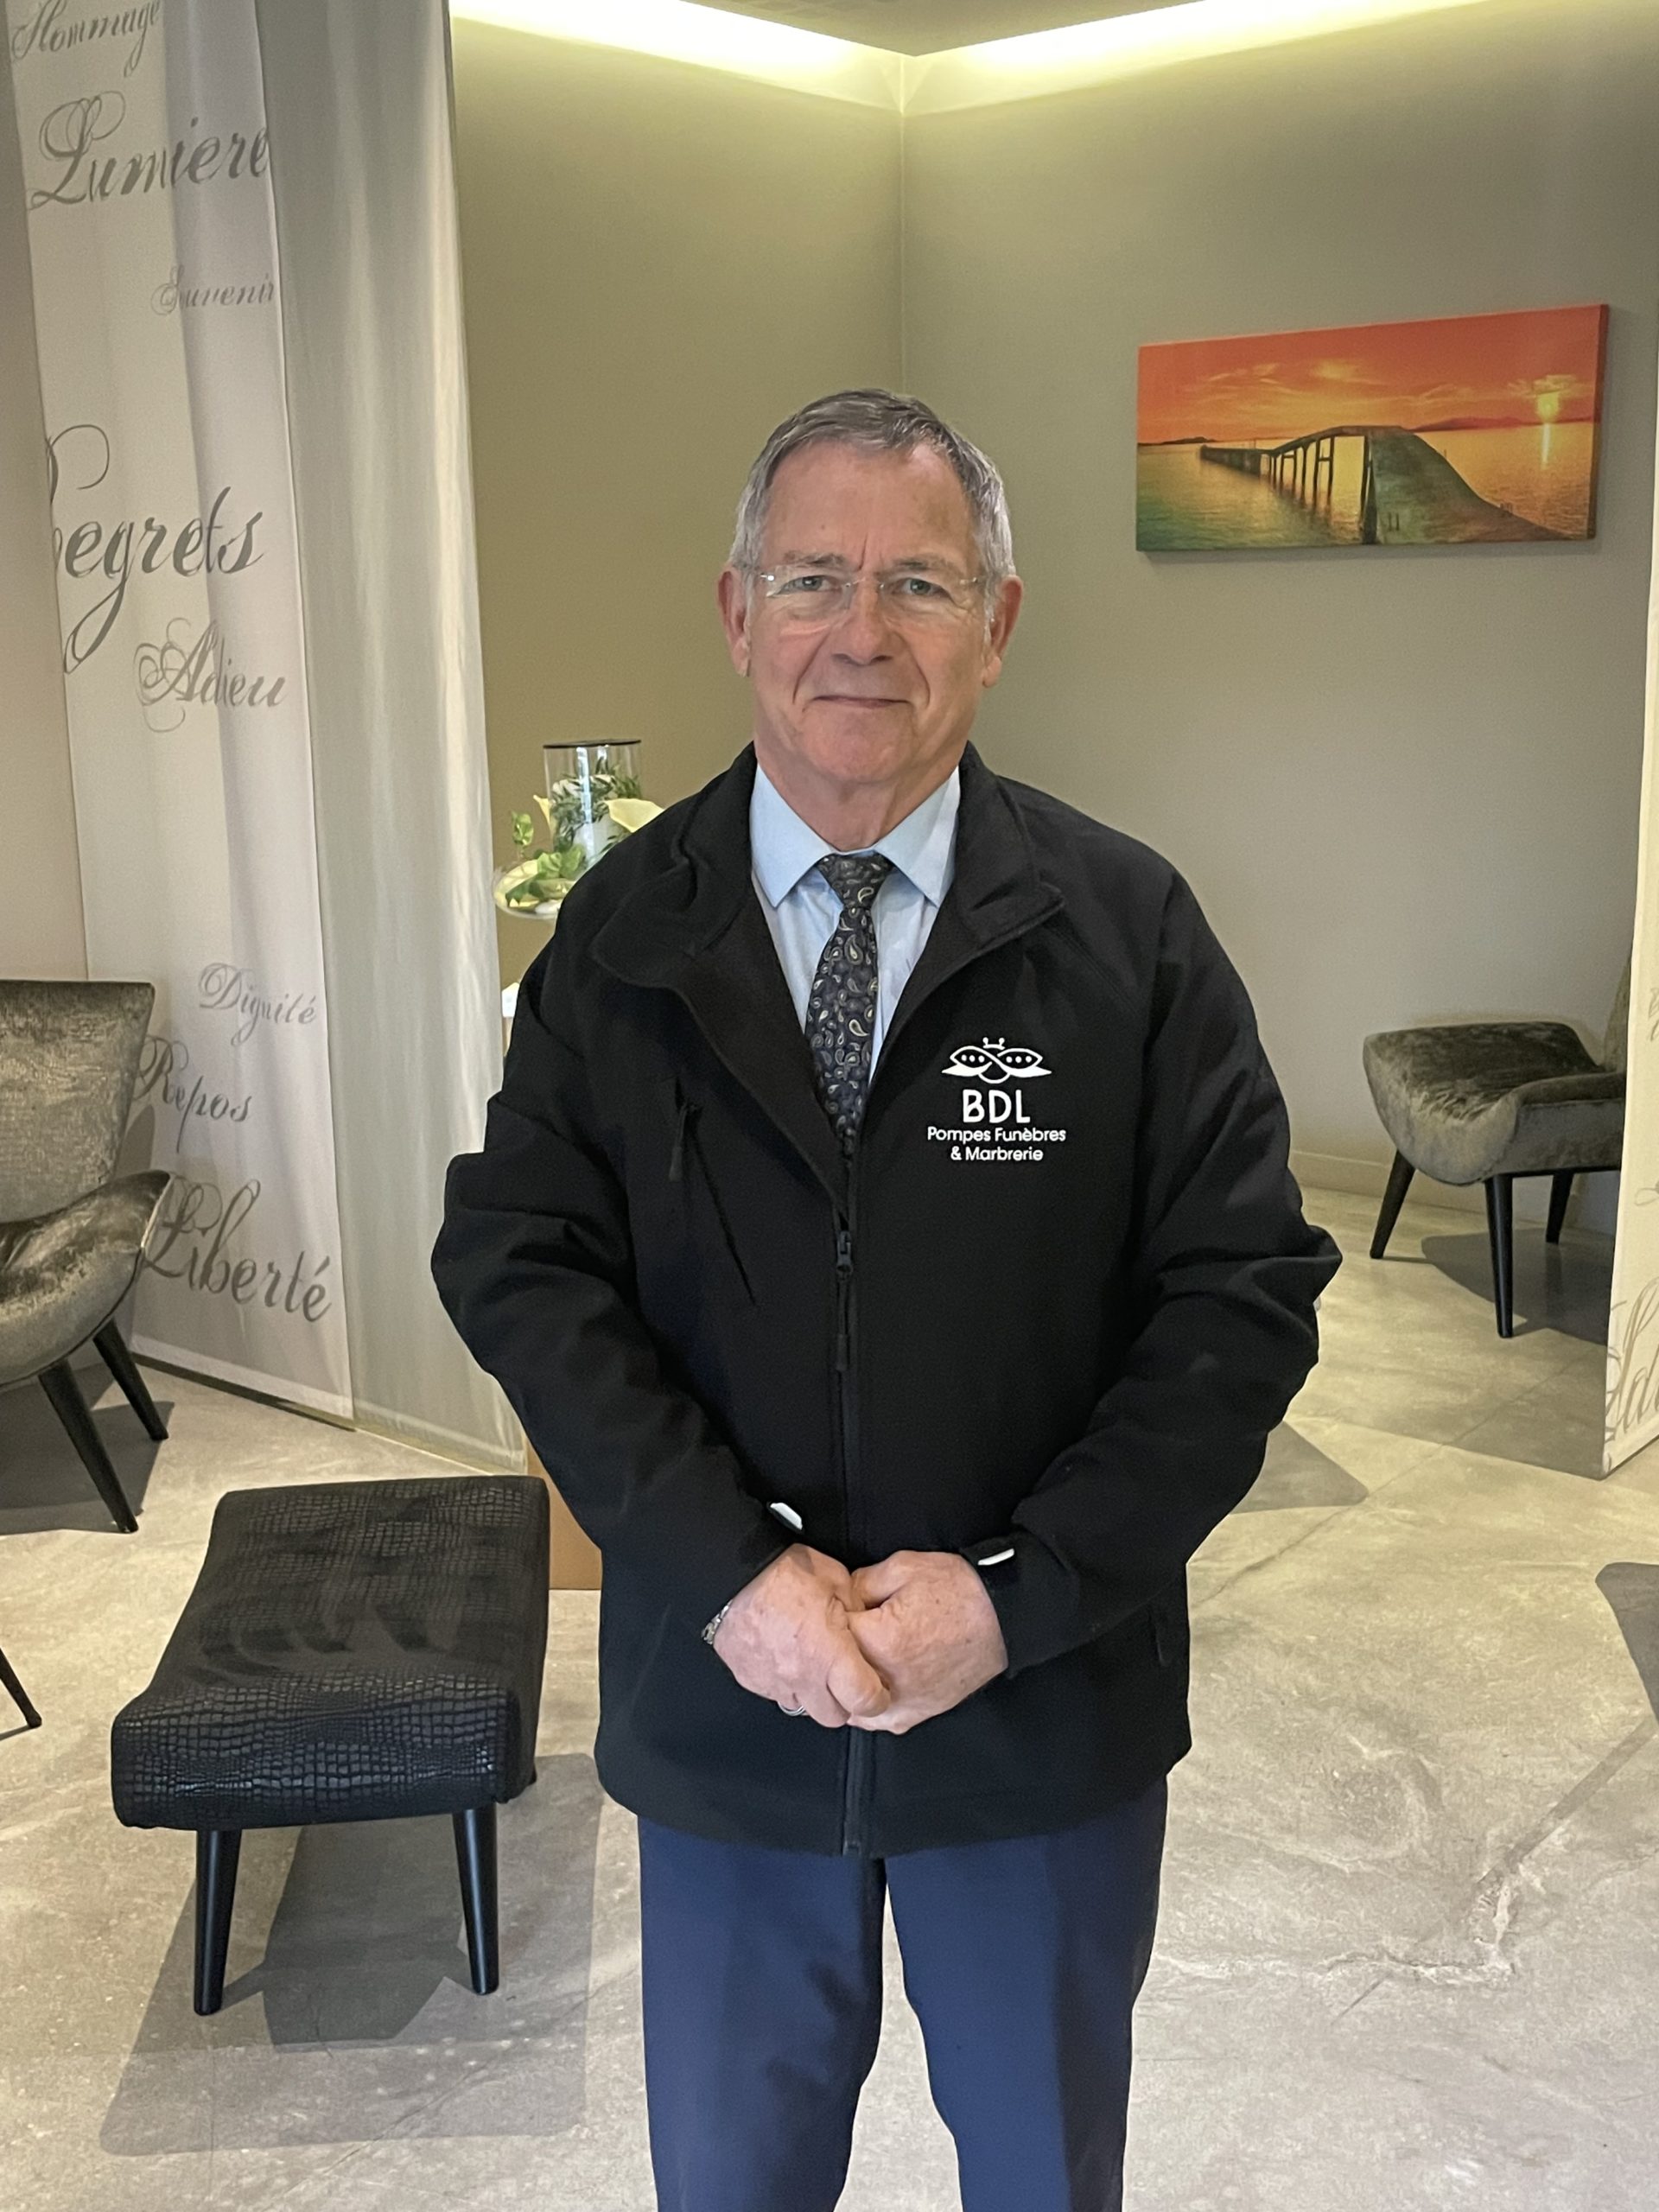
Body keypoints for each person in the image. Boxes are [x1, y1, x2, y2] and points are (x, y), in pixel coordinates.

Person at [431, 387, 1342, 2211]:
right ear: (736, 611)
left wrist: (1024, 1593)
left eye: (919, 582)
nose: (862, 632)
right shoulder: (625, 931)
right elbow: (522, 1256)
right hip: (732, 1715)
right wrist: (728, 1572)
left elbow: (1240, 1293)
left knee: (1042, 2172)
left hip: (1040, 1723)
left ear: (997, 623)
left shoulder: (1131, 933)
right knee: (735, 2181)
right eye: (813, 578)